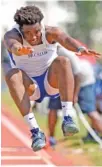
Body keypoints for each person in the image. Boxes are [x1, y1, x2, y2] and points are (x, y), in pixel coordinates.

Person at [3, 5, 100, 151]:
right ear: (21, 29)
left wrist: (79, 49)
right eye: (28, 33)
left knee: (63, 61)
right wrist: (20, 49)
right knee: (11, 74)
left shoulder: (50, 32)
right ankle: (36, 132)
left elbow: (66, 39)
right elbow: (12, 45)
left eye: (36, 31)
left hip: (51, 82)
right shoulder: (12, 35)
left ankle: (67, 118)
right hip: (30, 86)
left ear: (41, 25)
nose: (34, 37)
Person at [48, 46, 102, 146]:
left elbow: (78, 75)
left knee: (90, 111)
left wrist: (74, 95)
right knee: (53, 107)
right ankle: (51, 138)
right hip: (63, 82)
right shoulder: (42, 53)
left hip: (83, 81)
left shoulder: (65, 52)